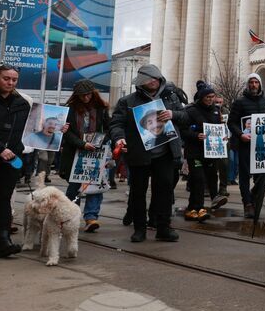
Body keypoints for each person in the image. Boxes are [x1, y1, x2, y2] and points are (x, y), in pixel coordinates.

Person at [110, 64, 187, 243]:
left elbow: (185, 117)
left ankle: (163, 227)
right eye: (148, 79)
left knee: (165, 191)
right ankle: (139, 229)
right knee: (138, 192)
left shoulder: (171, 98)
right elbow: (116, 124)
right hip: (139, 153)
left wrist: (173, 114)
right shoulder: (127, 101)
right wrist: (119, 138)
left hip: (165, 153)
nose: (153, 81)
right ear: (141, 82)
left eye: (155, 78)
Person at [0, 65, 29, 257]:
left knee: (2, 201)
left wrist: (56, 129)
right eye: (6, 78)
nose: (10, 83)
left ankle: (4, 243)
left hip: (9, 162)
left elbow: (30, 131)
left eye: (14, 80)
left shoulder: (22, 104)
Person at [60, 79, 111, 232]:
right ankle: (70, 217)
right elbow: (67, 133)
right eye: (82, 95)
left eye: (88, 94)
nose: (86, 97)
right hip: (74, 152)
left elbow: (108, 128)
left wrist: (99, 141)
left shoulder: (101, 108)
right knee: (74, 186)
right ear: (76, 95)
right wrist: (82, 144)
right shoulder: (69, 109)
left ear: (93, 93)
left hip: (96, 153)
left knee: (94, 185)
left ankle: (91, 218)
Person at [180, 82, 225, 220]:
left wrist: (223, 136)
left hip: (210, 152)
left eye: (212, 96)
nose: (211, 99)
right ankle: (199, 208)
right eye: (208, 97)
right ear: (201, 97)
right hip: (194, 152)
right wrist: (195, 136)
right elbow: (182, 131)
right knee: (198, 179)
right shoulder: (190, 110)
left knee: (209, 178)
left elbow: (219, 128)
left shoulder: (216, 111)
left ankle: (192, 208)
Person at [228, 73, 265, 219]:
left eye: (256, 82)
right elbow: (231, 122)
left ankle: (253, 196)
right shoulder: (240, 102)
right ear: (247, 84)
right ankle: (247, 204)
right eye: (251, 82)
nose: (253, 85)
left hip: (262, 146)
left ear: (260, 84)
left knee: (262, 175)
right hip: (245, 144)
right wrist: (241, 135)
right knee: (245, 175)